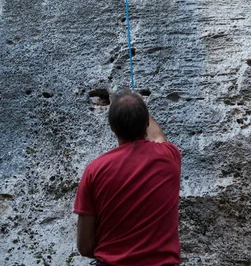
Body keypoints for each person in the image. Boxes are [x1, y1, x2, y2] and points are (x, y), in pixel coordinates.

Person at [73, 89, 181, 265]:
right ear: (146, 122)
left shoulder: (94, 171)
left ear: (112, 128)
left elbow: (85, 247)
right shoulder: (169, 156)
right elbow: (157, 136)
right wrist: (138, 109)